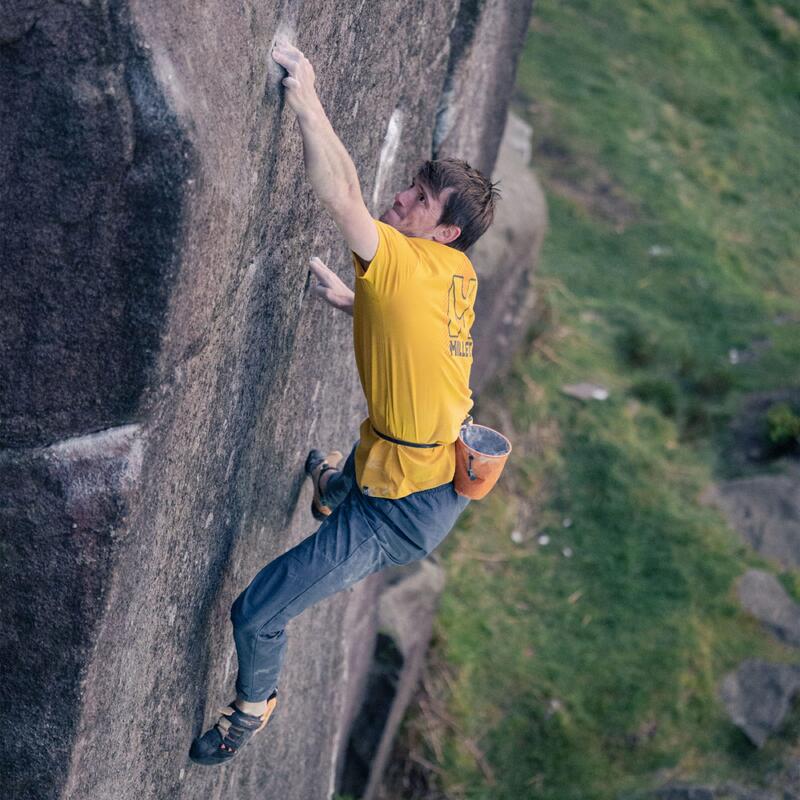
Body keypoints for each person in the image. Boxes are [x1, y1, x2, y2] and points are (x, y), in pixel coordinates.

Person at [189, 40, 499, 766]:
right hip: (414, 454)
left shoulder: (404, 265)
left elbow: (343, 198)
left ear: (446, 231)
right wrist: (358, 302)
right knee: (374, 440)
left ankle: (251, 710)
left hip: (400, 514)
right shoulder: (455, 273)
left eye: (420, 201)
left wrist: (307, 99)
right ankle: (335, 486)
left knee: (256, 611)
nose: (402, 198)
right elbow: (414, 335)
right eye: (413, 186)